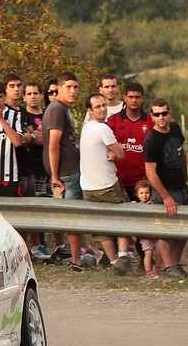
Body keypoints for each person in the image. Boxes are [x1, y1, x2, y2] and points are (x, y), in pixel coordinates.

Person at [78, 92, 132, 275]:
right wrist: (114, 153)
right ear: (90, 110)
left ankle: (114, 260)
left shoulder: (86, 128)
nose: (102, 109)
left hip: (88, 186)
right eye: (98, 107)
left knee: (101, 226)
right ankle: (123, 256)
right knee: (125, 217)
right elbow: (122, 153)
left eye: (103, 105)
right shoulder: (103, 129)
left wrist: (110, 153)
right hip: (106, 184)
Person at [143, 98, 188, 278]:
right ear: (152, 116)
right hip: (165, 191)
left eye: (164, 113)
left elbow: (181, 153)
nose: (161, 117)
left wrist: (186, 179)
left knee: (183, 230)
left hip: (181, 188)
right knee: (166, 231)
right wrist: (165, 197)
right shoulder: (151, 140)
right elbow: (151, 173)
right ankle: (168, 267)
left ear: (169, 113)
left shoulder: (176, 129)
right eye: (157, 114)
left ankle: (176, 265)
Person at [42, 72, 83, 268]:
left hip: (68, 170)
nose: (73, 91)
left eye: (75, 87)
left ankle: (77, 257)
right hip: (66, 172)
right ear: (58, 88)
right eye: (69, 87)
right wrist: (55, 175)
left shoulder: (61, 108)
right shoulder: (57, 109)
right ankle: (76, 261)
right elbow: (53, 144)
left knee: (74, 216)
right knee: (73, 217)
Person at [106, 82, 153, 199]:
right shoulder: (114, 120)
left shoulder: (150, 121)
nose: (134, 100)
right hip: (117, 181)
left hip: (143, 184)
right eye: (131, 97)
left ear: (143, 99)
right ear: (125, 98)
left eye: (137, 97)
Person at [21, 82, 52, 261]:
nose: (32, 96)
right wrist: (36, 137)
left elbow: (43, 138)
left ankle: (44, 246)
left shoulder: (48, 114)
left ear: (41, 95)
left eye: (36, 93)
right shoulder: (22, 115)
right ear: (24, 96)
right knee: (32, 210)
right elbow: (40, 139)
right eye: (29, 93)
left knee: (48, 209)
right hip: (31, 168)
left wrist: (34, 136)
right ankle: (33, 247)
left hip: (48, 167)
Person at [131, 180, 159, 278]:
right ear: (137, 194)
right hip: (144, 235)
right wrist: (132, 206)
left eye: (147, 193)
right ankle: (148, 271)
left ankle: (157, 268)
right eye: (141, 193)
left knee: (159, 251)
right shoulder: (136, 205)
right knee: (148, 252)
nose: (144, 195)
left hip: (155, 233)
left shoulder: (153, 204)